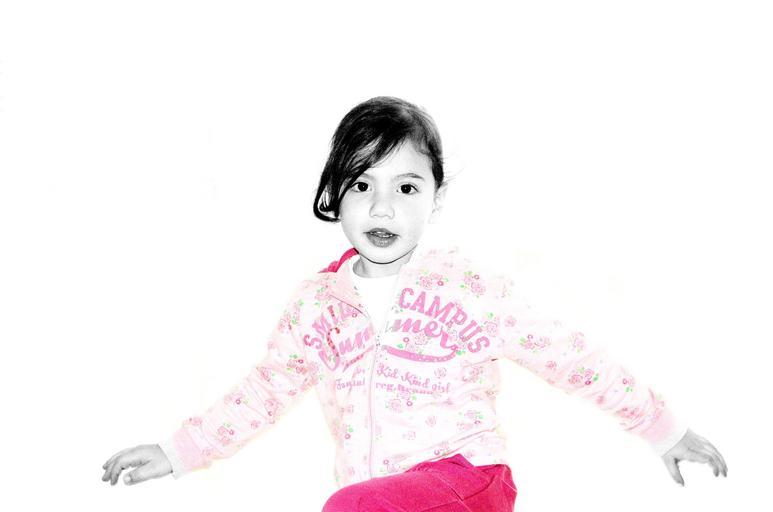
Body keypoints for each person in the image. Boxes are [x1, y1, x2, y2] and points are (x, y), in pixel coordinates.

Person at [101, 96, 727, 510]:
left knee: (352, 507)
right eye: (362, 185)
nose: (383, 208)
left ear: (435, 197)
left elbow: (568, 355)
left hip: (469, 481)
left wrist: (663, 429)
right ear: (335, 195)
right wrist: (178, 453)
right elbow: (263, 392)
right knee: (361, 502)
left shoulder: (467, 288)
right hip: (380, 496)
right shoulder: (317, 307)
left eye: (406, 187)